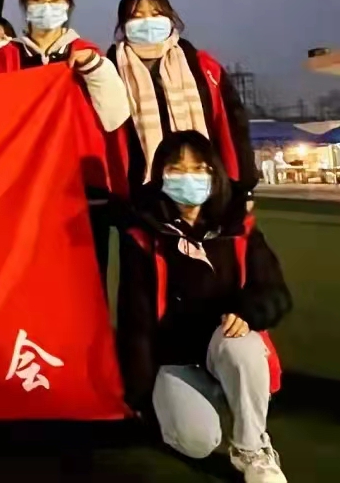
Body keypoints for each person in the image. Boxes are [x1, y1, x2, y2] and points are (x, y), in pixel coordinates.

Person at [118, 131, 290, 483]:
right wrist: (140, 396)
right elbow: (136, 320)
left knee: (242, 347)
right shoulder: (144, 236)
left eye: (199, 168)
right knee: (195, 442)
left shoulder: (239, 229)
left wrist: (248, 312)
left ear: (214, 174)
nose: (189, 177)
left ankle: (252, 449)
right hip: (176, 358)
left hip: (225, 346)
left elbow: (275, 292)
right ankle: (203, 403)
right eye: (177, 169)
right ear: (161, 175)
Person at [0, 0, 130, 278]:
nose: (46, 6)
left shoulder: (87, 54)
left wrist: (93, 69)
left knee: (86, 280)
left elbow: (115, 114)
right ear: (25, 4)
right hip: (23, 189)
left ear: (67, 4)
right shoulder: (5, 58)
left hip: (82, 187)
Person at [107, 0, 257, 205]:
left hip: (203, 185)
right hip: (139, 193)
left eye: (156, 14)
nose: (147, 22)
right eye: (137, 16)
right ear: (123, 25)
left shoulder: (202, 67)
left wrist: (244, 186)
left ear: (171, 19)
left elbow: (234, 127)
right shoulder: (109, 71)